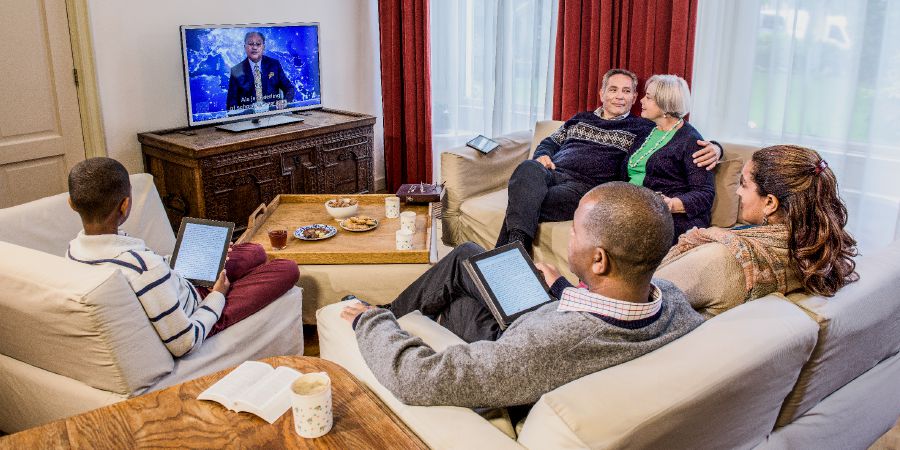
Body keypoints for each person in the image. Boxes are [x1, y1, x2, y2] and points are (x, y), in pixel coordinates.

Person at [340, 182, 704, 408]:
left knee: (459, 299)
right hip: (560, 317)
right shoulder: (672, 299)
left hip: (535, 341)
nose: (569, 238)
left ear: (599, 260)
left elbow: (415, 378)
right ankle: (400, 308)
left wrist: (368, 322)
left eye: (574, 232)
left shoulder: (545, 345)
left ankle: (380, 310)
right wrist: (561, 288)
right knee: (467, 255)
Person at [65, 157, 299, 357]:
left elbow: (153, 269)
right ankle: (222, 302)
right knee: (286, 268)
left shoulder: (73, 251)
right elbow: (184, 342)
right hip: (198, 305)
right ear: (125, 205)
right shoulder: (143, 268)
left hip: (177, 283)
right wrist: (217, 296)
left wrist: (193, 255)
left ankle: (211, 266)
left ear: (72, 204)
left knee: (254, 252)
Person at [495, 69, 720, 252]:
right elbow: (550, 142)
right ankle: (517, 253)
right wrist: (542, 155)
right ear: (602, 93)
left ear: (635, 97)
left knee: (523, 200)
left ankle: (506, 257)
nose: (621, 96)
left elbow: (684, 138)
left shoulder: (640, 127)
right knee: (527, 169)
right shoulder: (582, 119)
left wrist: (717, 149)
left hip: (584, 187)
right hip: (553, 173)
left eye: (628, 91)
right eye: (613, 90)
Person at [657, 145, 859, 318]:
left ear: (770, 202)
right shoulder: (817, 253)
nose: (737, 192)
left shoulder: (721, 258)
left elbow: (635, 304)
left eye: (744, 185)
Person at [629, 74, 715, 242]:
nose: (641, 100)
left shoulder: (691, 141)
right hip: (636, 205)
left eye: (648, 97)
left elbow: (705, 193)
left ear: (665, 105)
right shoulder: (647, 130)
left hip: (671, 216)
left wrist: (671, 204)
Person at [226, 31, 296, 112]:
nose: (254, 47)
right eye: (251, 44)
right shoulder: (236, 70)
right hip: (248, 119)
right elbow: (231, 103)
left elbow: (289, 88)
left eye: (258, 44)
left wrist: (285, 101)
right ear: (245, 46)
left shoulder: (274, 64)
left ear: (263, 47)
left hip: (273, 114)